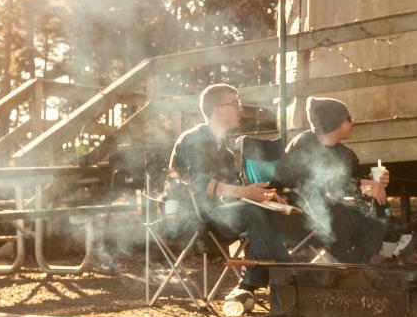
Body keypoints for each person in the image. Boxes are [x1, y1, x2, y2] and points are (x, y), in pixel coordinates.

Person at [167, 83, 294, 296]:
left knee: (266, 210)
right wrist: (245, 194)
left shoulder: (224, 152)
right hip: (190, 216)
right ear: (217, 108)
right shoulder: (193, 139)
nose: (241, 109)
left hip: (220, 214)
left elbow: (232, 193)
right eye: (235, 103)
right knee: (252, 211)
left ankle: (249, 285)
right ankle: (289, 275)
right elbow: (197, 183)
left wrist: (261, 196)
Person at [279, 96, 392, 264]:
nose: (353, 123)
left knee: (381, 207)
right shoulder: (304, 145)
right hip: (298, 211)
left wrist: (375, 184)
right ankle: (341, 263)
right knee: (340, 211)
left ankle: (360, 260)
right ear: (335, 122)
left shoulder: (346, 154)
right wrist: (361, 185)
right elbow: (306, 183)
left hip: (336, 207)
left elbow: (352, 183)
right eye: (348, 119)